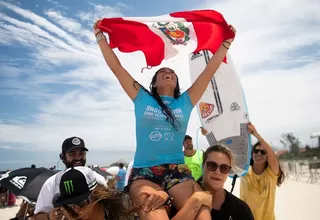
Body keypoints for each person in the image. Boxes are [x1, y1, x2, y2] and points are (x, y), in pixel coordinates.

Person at [93, 19, 236, 220]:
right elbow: (117, 68)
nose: (167, 73)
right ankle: (193, 200)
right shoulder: (142, 98)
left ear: (177, 82)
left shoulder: (185, 102)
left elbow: (208, 71)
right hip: (145, 174)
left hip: (177, 171)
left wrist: (225, 44)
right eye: (162, 72)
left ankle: (191, 200)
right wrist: (100, 37)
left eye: (171, 72)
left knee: (204, 218)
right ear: (154, 83)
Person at [168, 144, 254, 220]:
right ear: (203, 166)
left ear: (229, 171)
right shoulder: (181, 200)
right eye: (212, 165)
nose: (217, 172)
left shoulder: (241, 209)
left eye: (224, 168)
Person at [34, 137, 107, 220]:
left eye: (82, 153)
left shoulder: (97, 179)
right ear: (62, 156)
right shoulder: (51, 183)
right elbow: (37, 217)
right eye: (72, 153)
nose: (78, 157)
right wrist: (49, 216)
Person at [240, 122, 285, 220]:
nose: (259, 153)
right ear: (252, 153)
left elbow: (273, 156)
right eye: (256, 151)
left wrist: (256, 134)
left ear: (267, 156)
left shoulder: (271, 174)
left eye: (263, 152)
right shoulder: (244, 171)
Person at [51, 166, 132, 220]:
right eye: (69, 205)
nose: (76, 209)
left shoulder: (123, 209)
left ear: (96, 194)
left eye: (80, 202)